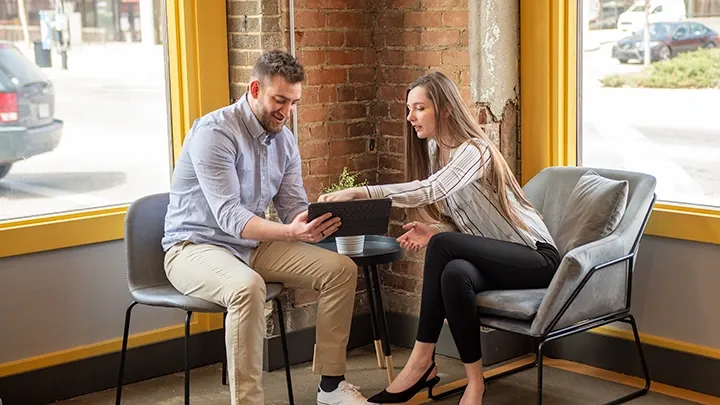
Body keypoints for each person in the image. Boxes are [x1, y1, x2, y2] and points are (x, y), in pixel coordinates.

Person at [318, 71, 561, 404]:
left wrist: (362, 193)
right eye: (409, 108)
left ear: (444, 108)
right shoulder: (436, 152)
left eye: (419, 108)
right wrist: (438, 230)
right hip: (500, 258)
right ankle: (475, 382)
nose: (409, 117)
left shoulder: (476, 150)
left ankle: (421, 360)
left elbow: (433, 190)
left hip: (537, 259)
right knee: (455, 272)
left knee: (444, 248)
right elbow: (474, 226)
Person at [162, 50, 369, 405]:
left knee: (341, 270)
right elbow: (230, 216)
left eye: (293, 103)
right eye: (279, 100)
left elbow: (292, 208)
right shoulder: (214, 132)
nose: (286, 112)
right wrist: (291, 233)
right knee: (247, 288)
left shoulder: (284, 141)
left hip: (250, 247)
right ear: (255, 88)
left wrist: (322, 218)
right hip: (193, 247)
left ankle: (331, 388)